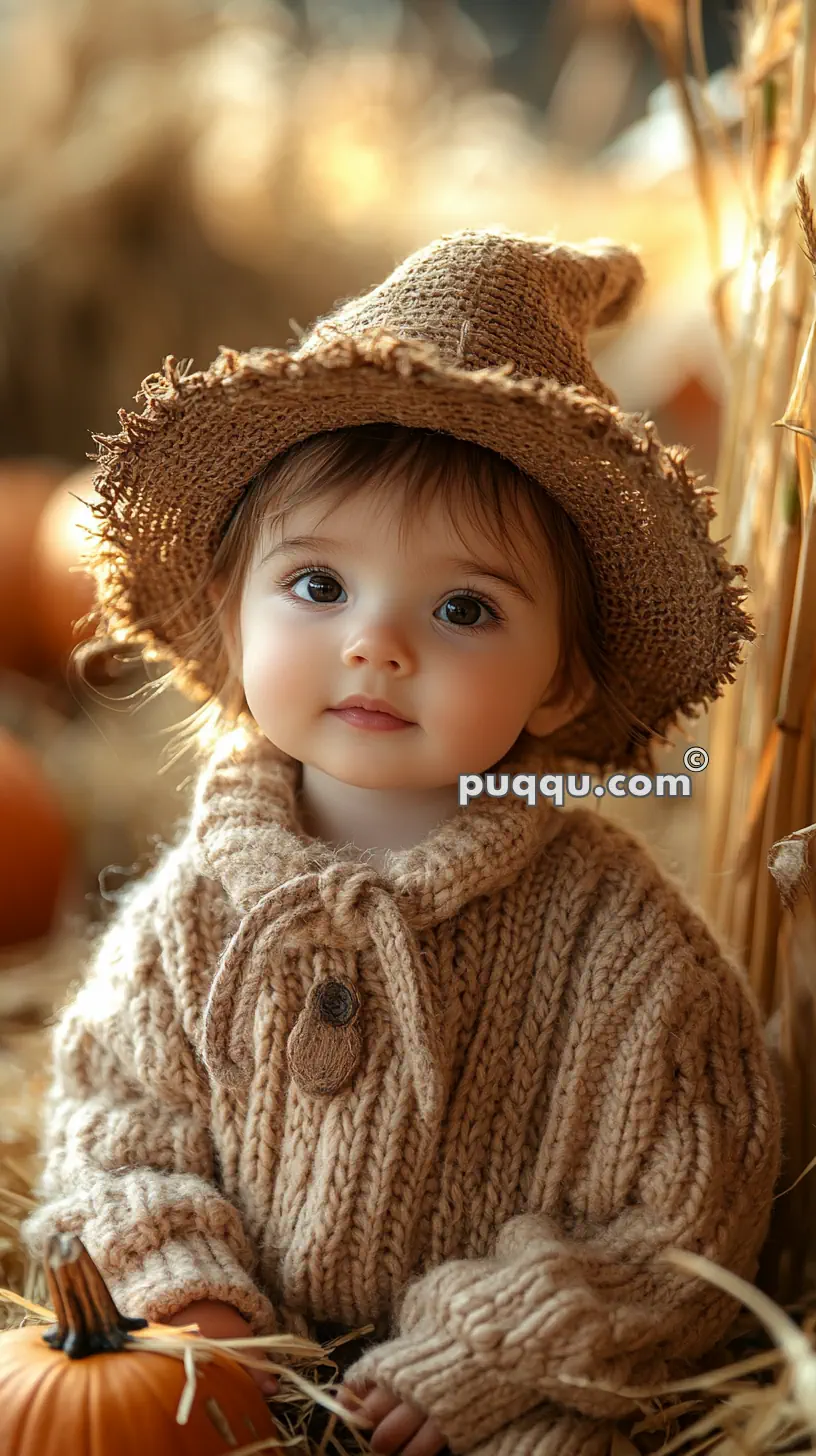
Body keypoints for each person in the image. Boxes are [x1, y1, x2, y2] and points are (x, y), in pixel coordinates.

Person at [22, 229, 781, 1456]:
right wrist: (197, 1301)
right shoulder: (196, 910)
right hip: (224, 1390)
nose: (377, 643)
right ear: (231, 607)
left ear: (559, 682)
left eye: (464, 608)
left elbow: (683, 1206)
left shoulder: (622, 950)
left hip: (489, 1403)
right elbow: (114, 1122)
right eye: (319, 586)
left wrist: (486, 1348)